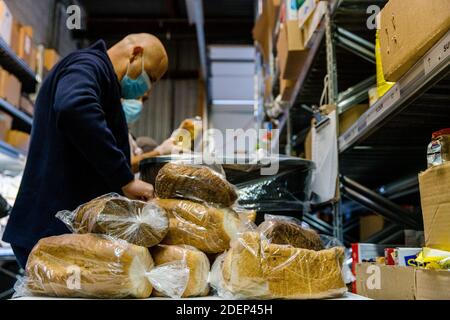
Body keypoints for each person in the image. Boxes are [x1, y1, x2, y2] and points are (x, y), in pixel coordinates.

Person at [2, 33, 168, 269]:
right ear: (136, 53)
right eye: (150, 76)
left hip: (64, 233)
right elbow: (74, 107)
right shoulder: (88, 65)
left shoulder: (102, 81)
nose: (147, 88)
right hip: (51, 232)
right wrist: (125, 179)